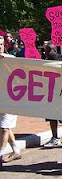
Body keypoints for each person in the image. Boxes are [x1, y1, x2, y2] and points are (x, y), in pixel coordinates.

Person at [0, 36, 21, 169]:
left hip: (10, 98)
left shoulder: (11, 60)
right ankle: (16, 149)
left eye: (1, 44)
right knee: (3, 126)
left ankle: (0, 155)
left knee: (4, 128)